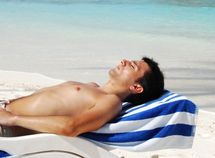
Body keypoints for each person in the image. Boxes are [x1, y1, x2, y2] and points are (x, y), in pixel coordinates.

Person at [0, 57, 164, 137]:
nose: (124, 61)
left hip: (5, 129)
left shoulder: (110, 102)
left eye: (132, 65)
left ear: (136, 87)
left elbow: (71, 127)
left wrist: (13, 119)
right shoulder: (92, 87)